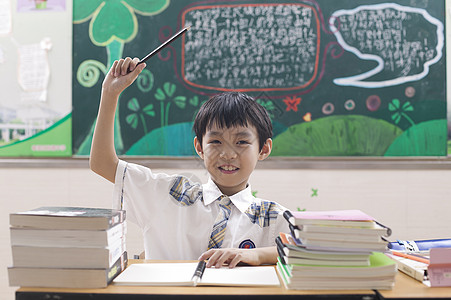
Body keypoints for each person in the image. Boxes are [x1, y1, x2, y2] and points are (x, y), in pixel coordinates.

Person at [90, 57, 289, 268]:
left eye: (241, 142)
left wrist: (256, 255)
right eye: (215, 141)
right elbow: (102, 163)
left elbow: (306, 249)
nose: (228, 154)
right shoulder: (167, 195)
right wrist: (110, 94)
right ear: (199, 147)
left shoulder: (273, 216)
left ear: (264, 149)